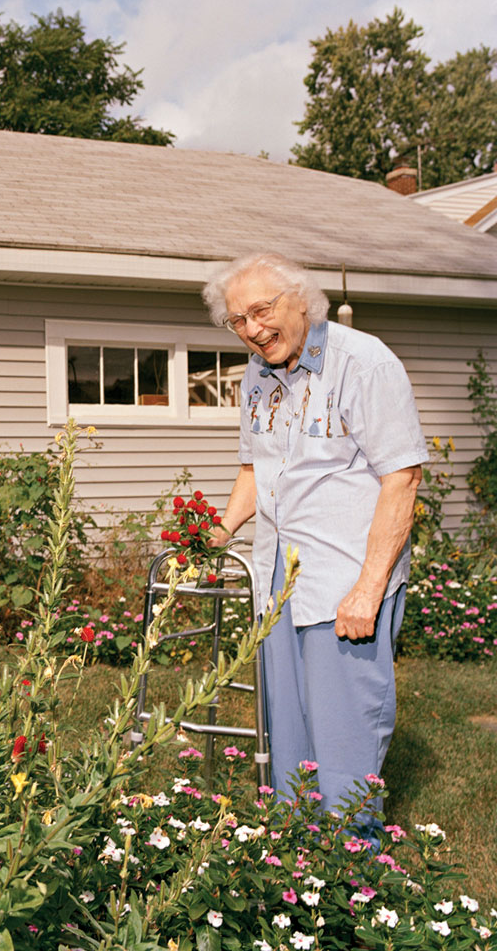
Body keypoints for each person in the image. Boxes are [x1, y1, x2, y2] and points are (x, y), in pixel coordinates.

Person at [202, 252, 425, 821]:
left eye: (261, 310)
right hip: (277, 577)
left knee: (344, 735)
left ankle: (355, 866)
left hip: (344, 577)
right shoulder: (259, 374)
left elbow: (402, 478)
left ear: (302, 299)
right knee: (289, 740)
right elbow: (254, 469)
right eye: (238, 321)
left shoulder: (363, 363)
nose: (252, 330)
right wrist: (220, 529)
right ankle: (296, 870)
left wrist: (369, 589)